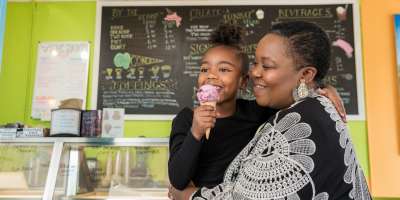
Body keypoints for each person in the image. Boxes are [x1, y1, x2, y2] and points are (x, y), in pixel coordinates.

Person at [171, 21, 371, 200]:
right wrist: (195, 132)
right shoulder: (312, 106)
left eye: (266, 66)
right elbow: (178, 175)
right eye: (256, 63)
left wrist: (188, 196)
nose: (255, 71)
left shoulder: (274, 116)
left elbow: (247, 196)